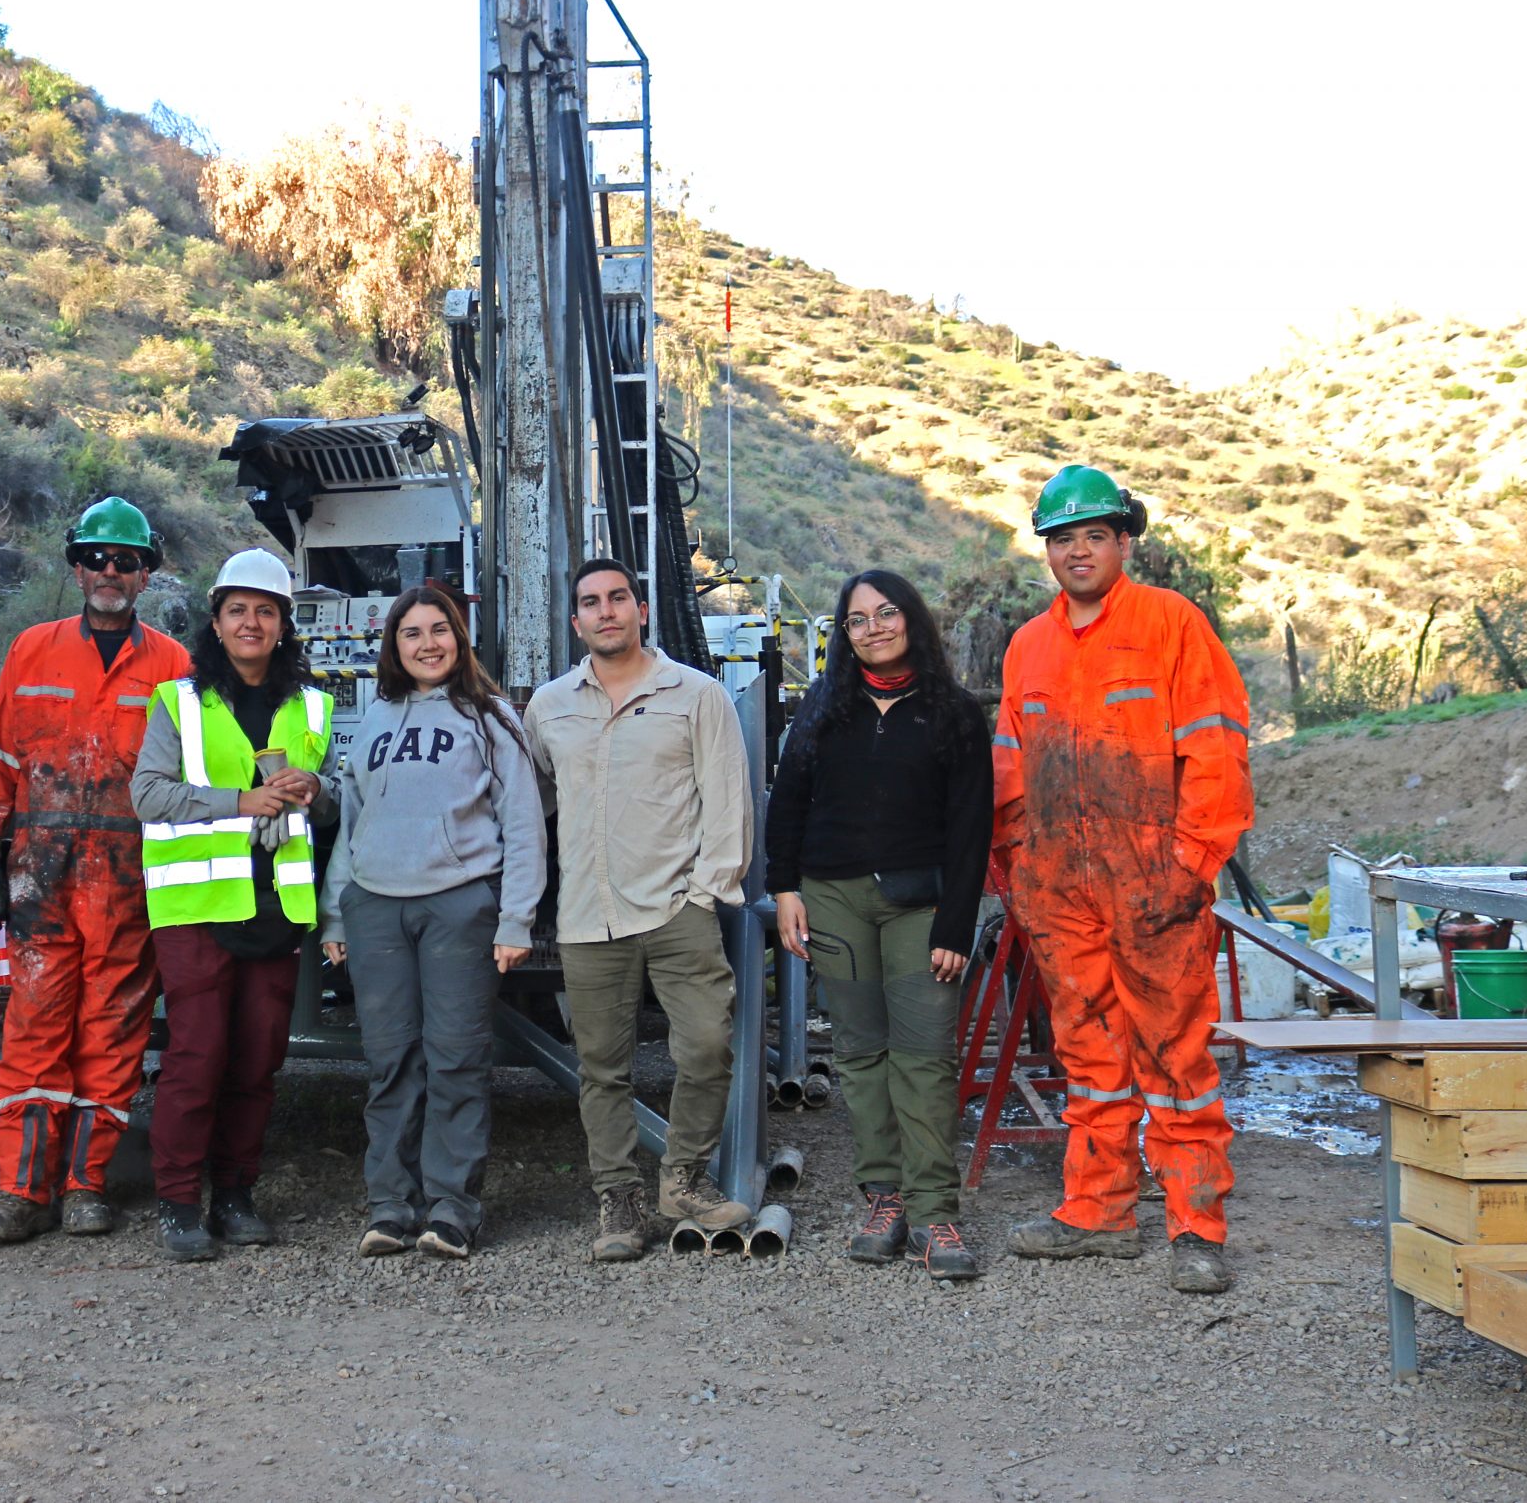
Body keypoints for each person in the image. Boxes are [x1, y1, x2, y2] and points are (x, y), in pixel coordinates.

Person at [993, 464, 1254, 1295]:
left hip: (1156, 886)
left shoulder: (1172, 624)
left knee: (1175, 1058)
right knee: (1088, 1054)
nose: (1077, 550)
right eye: (1062, 537)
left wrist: (1189, 865)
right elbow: (1010, 767)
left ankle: (1196, 1225)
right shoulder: (1029, 645)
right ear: (1048, 551)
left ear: (1123, 542)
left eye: (1093, 535)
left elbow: (1216, 749)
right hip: (1061, 889)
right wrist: (1018, 871)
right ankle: (1097, 1210)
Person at [0, 498, 192, 1244]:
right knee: (31, 1028)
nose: (109, 571)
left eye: (125, 560)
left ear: (146, 574)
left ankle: (86, 1183)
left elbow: (188, 778)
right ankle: (19, 1190)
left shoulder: (172, 665)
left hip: (128, 878)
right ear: (76, 565)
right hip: (41, 878)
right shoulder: (32, 649)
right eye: (96, 557)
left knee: (113, 1030)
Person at [524, 556, 755, 1263]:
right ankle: (617, 1199)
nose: (606, 611)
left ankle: (682, 1177)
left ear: (641, 608)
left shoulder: (696, 694)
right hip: (589, 916)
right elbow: (533, 804)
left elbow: (729, 800)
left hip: (677, 906)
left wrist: (707, 892)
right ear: (576, 621)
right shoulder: (549, 705)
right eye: (590, 601)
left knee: (706, 1046)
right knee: (603, 1067)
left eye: (618, 597)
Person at [767, 571, 992, 1281]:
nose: (873, 628)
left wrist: (957, 922)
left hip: (921, 905)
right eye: (857, 620)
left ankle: (934, 1211)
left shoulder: (952, 712)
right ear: (845, 634)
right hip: (833, 900)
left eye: (885, 613)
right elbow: (788, 803)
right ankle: (884, 1198)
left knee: (924, 1056)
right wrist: (784, 889)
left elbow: (972, 827)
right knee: (862, 1055)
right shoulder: (822, 709)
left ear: (911, 620)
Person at [319, 584, 546, 1261]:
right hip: (375, 905)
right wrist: (336, 908)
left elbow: (523, 823)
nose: (426, 643)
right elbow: (353, 824)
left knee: (456, 1058)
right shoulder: (377, 720)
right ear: (394, 645)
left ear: (459, 637)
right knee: (390, 1061)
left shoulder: (492, 716)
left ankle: (451, 1208)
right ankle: (390, 1205)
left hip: (458, 904)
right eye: (411, 632)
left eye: (438, 629)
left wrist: (516, 918)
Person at [129, 548, 336, 1262]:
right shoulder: (177, 701)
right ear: (215, 622)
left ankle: (237, 1195)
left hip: (276, 906)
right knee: (198, 1055)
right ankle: (179, 1203)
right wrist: (239, 801)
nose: (252, 622)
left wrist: (315, 790)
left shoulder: (313, 705)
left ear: (284, 625)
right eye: (238, 609)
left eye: (266, 610)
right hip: (195, 909)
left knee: (257, 1059)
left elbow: (327, 805)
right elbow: (148, 793)